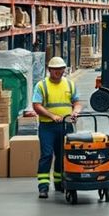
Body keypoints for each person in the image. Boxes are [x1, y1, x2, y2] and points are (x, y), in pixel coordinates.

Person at [32, 56, 83, 198]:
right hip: (47, 127)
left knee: (63, 156)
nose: (59, 72)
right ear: (50, 70)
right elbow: (36, 105)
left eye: (61, 69)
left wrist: (75, 112)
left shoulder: (70, 84)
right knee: (47, 155)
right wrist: (51, 116)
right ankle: (43, 186)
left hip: (66, 126)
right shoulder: (42, 86)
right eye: (56, 69)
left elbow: (77, 102)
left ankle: (60, 183)